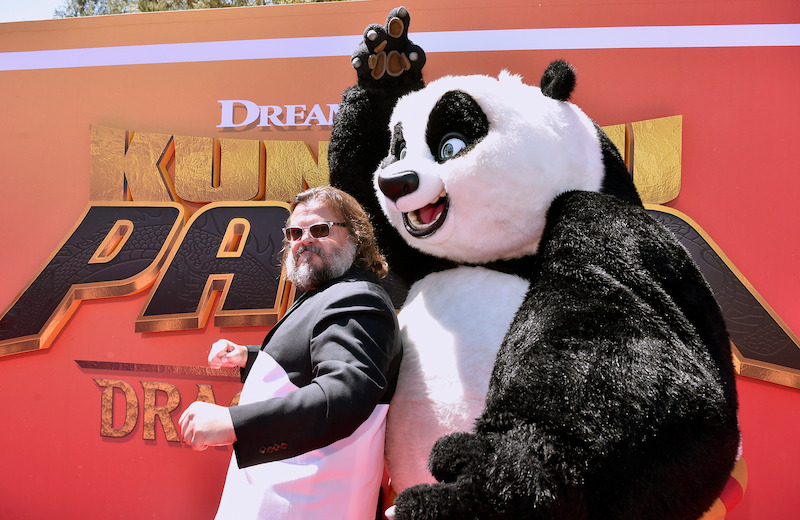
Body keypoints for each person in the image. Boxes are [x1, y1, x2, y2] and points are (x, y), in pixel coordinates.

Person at [179, 186, 402, 520]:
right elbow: (314, 358)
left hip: (306, 505)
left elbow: (344, 394)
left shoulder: (358, 299)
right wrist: (249, 357)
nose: (304, 239)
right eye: (295, 232)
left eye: (320, 229)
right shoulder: (332, 293)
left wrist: (233, 421)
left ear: (355, 238)